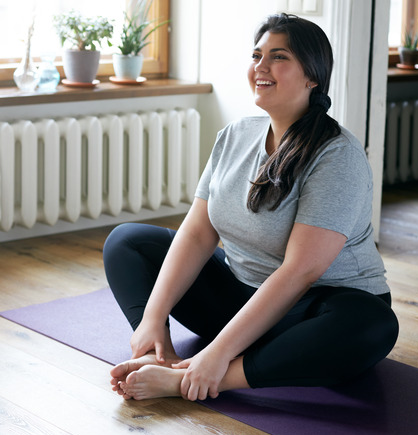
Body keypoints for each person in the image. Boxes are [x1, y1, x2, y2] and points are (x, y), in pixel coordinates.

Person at [102, 13, 399, 402]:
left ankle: (198, 378)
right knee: (128, 240)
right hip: (240, 297)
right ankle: (161, 355)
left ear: (312, 76)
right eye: (257, 55)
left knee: (373, 326)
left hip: (310, 310)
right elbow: (196, 232)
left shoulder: (337, 155)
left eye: (278, 57)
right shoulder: (235, 135)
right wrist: (152, 319)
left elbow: (299, 273)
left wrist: (215, 357)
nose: (261, 66)